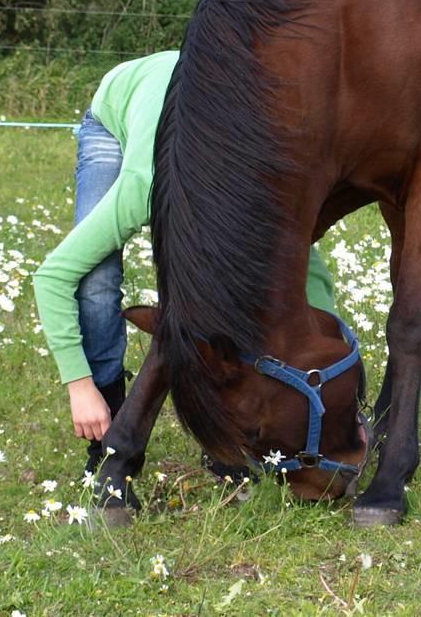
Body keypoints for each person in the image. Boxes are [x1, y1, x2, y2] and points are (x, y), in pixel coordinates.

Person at [33, 50, 338, 472]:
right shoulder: (143, 187)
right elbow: (51, 277)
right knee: (96, 282)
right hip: (116, 111)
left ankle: (216, 427)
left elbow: (309, 275)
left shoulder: (259, 192)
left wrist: (319, 359)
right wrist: (79, 386)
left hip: (209, 97)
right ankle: (105, 420)